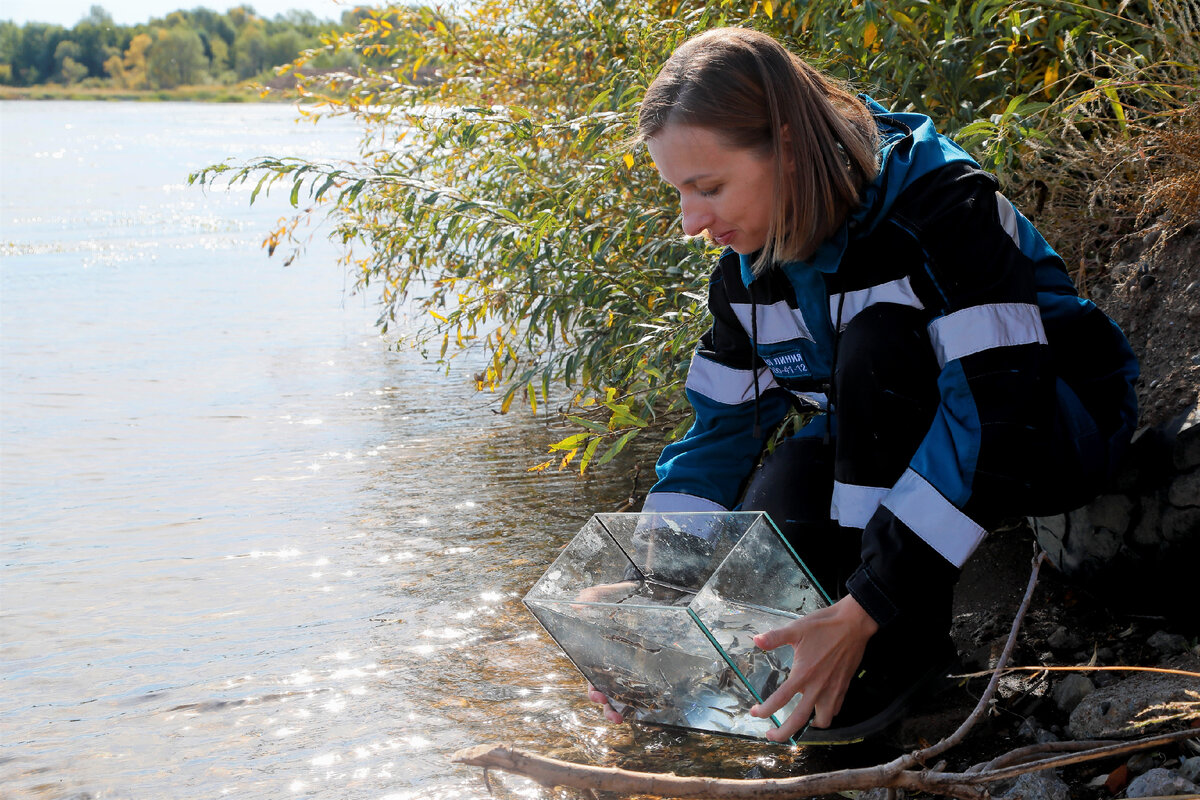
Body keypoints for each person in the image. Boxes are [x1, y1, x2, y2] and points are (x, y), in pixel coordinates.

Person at [587, 27, 1139, 744]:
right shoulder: (746, 275)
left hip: (1051, 426)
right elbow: (719, 435)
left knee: (880, 342)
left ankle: (905, 660)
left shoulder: (942, 207)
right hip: (903, 429)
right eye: (679, 193)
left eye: (709, 187)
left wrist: (867, 605)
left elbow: (1000, 415)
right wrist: (652, 593)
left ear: (786, 147)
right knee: (789, 473)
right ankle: (801, 666)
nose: (692, 222)